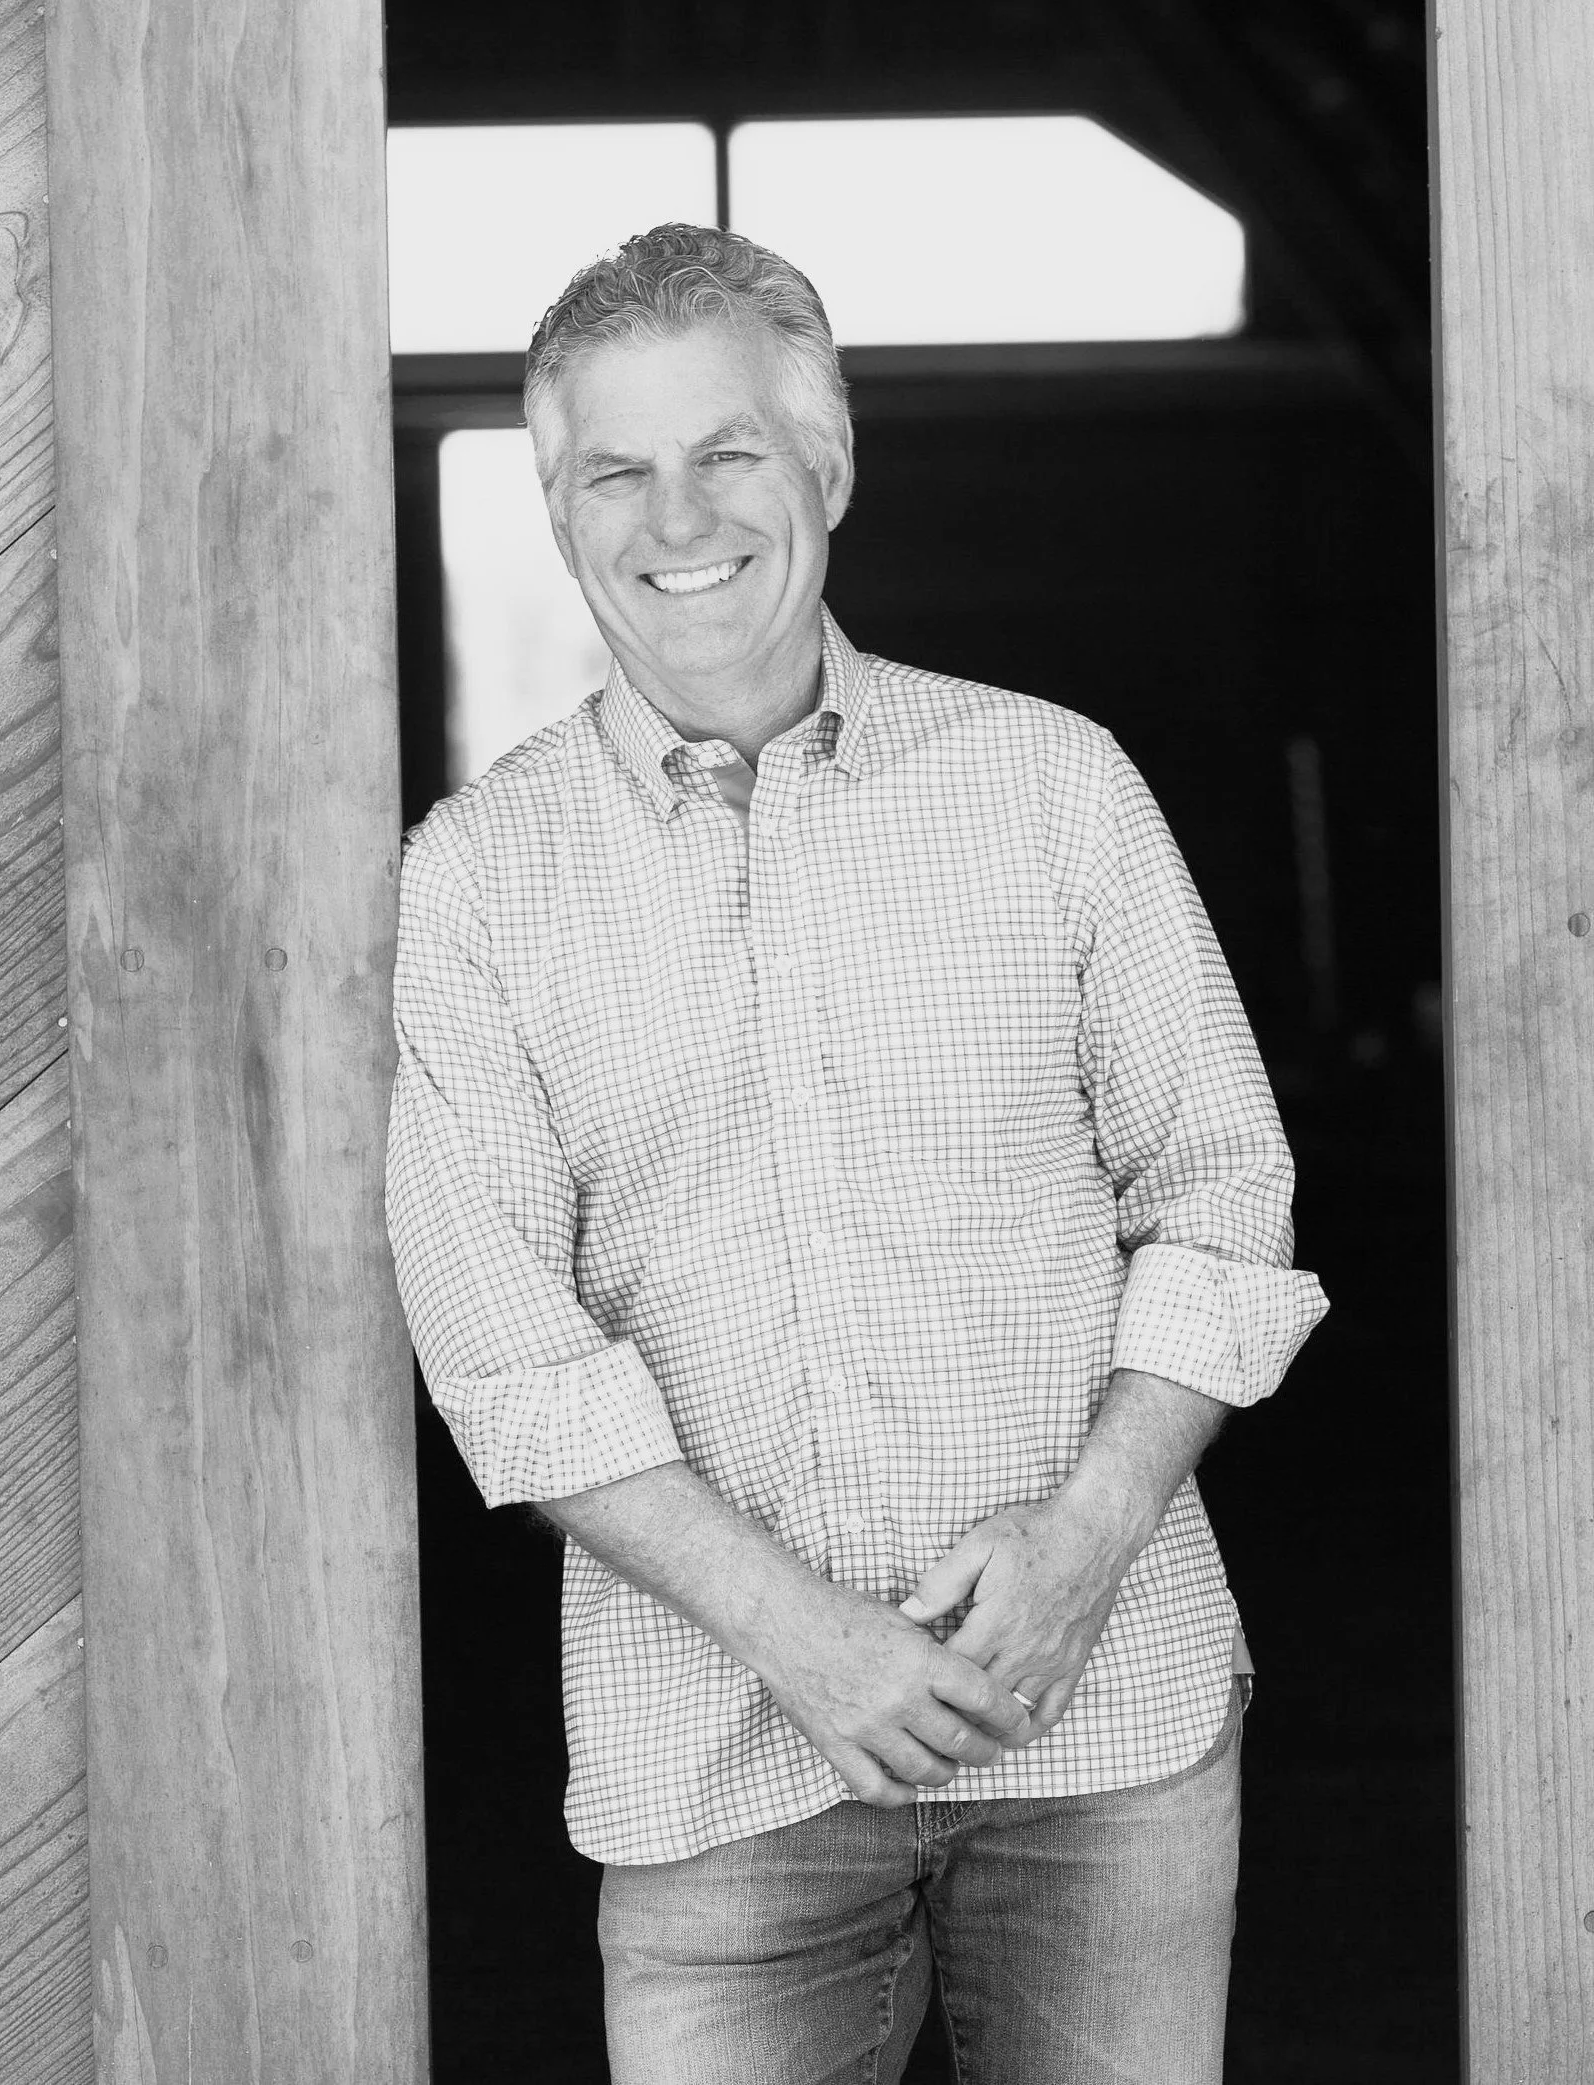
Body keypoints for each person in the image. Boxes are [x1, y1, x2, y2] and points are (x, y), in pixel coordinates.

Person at [385, 221, 1328, 2085]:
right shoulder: (476, 880)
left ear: (825, 464)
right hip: (716, 1766)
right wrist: (806, 1642)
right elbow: (505, 1357)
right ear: (560, 517)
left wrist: (1088, 1536)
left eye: (729, 451)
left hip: (1109, 1726)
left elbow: (1224, 1189)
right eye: (615, 474)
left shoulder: (1058, 787)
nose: (680, 517)